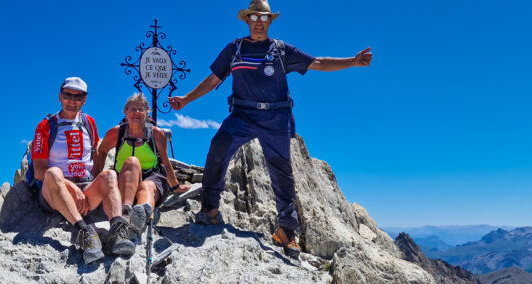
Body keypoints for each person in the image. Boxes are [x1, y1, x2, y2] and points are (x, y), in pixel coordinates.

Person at [168, 0, 372, 258]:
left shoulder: (281, 50)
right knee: (218, 148)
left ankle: (287, 231)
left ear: (269, 21)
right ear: (247, 20)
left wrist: (352, 61)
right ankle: (210, 208)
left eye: (263, 18)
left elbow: (318, 62)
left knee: (281, 172)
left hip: (276, 117)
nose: (258, 22)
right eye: (254, 18)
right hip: (242, 114)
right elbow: (213, 80)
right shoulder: (235, 48)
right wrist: (186, 99)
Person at [31, 77, 135, 264]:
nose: (72, 100)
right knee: (53, 173)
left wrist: (94, 184)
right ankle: (85, 234)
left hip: (84, 186)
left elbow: (96, 154)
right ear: (60, 97)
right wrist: (71, 188)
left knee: (110, 175)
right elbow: (40, 172)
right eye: (68, 95)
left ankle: (117, 235)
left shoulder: (89, 123)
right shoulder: (46, 126)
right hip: (53, 191)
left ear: (84, 100)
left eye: (78, 97)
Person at [94, 93, 190, 238]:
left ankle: (141, 213)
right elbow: (101, 152)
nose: (136, 113)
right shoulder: (116, 133)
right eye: (132, 109)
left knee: (146, 186)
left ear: (147, 113)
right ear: (125, 112)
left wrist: (176, 187)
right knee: (132, 162)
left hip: (153, 177)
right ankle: (127, 214)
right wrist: (95, 180)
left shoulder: (156, 134)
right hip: (124, 179)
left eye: (141, 109)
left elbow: (165, 161)